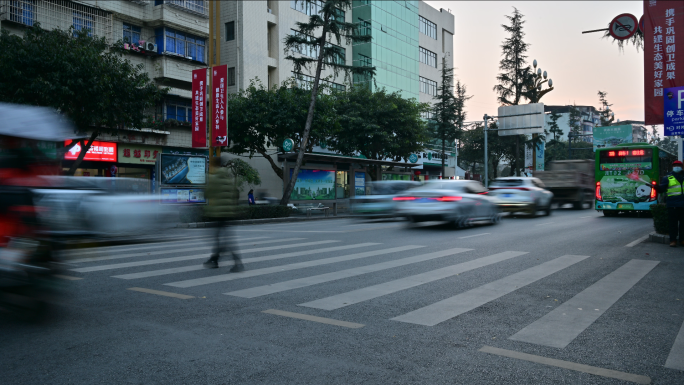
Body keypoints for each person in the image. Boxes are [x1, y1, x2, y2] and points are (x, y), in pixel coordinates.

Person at [202, 156, 244, 271]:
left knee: (219, 239)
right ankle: (215, 259)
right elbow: (235, 195)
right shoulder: (228, 179)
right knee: (225, 238)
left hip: (217, 213)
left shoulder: (213, 178)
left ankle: (236, 262)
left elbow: (207, 194)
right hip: (228, 213)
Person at [654, 160, 684, 247]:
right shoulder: (668, 177)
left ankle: (682, 240)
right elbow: (661, 189)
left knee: (683, 224)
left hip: (683, 205)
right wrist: (656, 187)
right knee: (673, 224)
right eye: (675, 165)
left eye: (678, 165)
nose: (677, 167)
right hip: (672, 205)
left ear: (681, 166)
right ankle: (673, 240)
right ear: (673, 167)